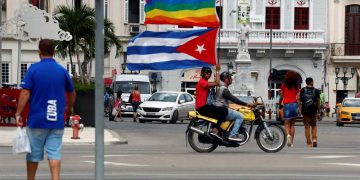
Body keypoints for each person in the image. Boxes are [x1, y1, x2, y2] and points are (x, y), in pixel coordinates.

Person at [15, 39, 76, 180]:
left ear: (39, 52)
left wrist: (18, 113)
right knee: (54, 152)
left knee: (33, 154)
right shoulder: (62, 70)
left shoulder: (33, 70)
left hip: (37, 120)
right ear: (54, 52)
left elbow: (25, 93)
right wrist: (69, 107)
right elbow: (72, 92)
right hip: (56, 119)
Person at [215, 71, 253, 141]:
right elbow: (234, 99)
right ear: (226, 79)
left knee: (236, 112)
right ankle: (233, 134)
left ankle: (230, 131)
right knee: (240, 116)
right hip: (222, 110)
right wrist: (246, 104)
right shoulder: (224, 89)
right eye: (230, 78)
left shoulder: (222, 88)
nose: (231, 79)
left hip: (220, 109)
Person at [195, 65, 228, 136]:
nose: (208, 74)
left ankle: (214, 127)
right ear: (203, 73)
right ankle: (215, 129)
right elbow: (217, 83)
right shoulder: (202, 82)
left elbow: (216, 82)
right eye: (206, 73)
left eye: (210, 73)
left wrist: (217, 72)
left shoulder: (205, 82)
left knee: (218, 112)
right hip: (202, 107)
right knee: (224, 111)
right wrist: (218, 71)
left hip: (203, 106)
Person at [279, 71, 300, 147]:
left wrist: (279, 104)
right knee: (292, 124)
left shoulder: (284, 85)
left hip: (287, 106)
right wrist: (299, 108)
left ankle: (288, 135)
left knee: (286, 124)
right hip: (294, 105)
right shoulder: (296, 86)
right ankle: (291, 142)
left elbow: (281, 96)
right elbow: (298, 98)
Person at [299, 77, 320, 148]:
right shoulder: (316, 90)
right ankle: (314, 139)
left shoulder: (302, 90)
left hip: (305, 110)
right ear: (311, 82)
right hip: (313, 110)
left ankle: (309, 143)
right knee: (314, 125)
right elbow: (318, 102)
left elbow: (299, 101)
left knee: (307, 126)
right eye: (312, 81)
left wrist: (300, 109)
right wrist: (319, 111)